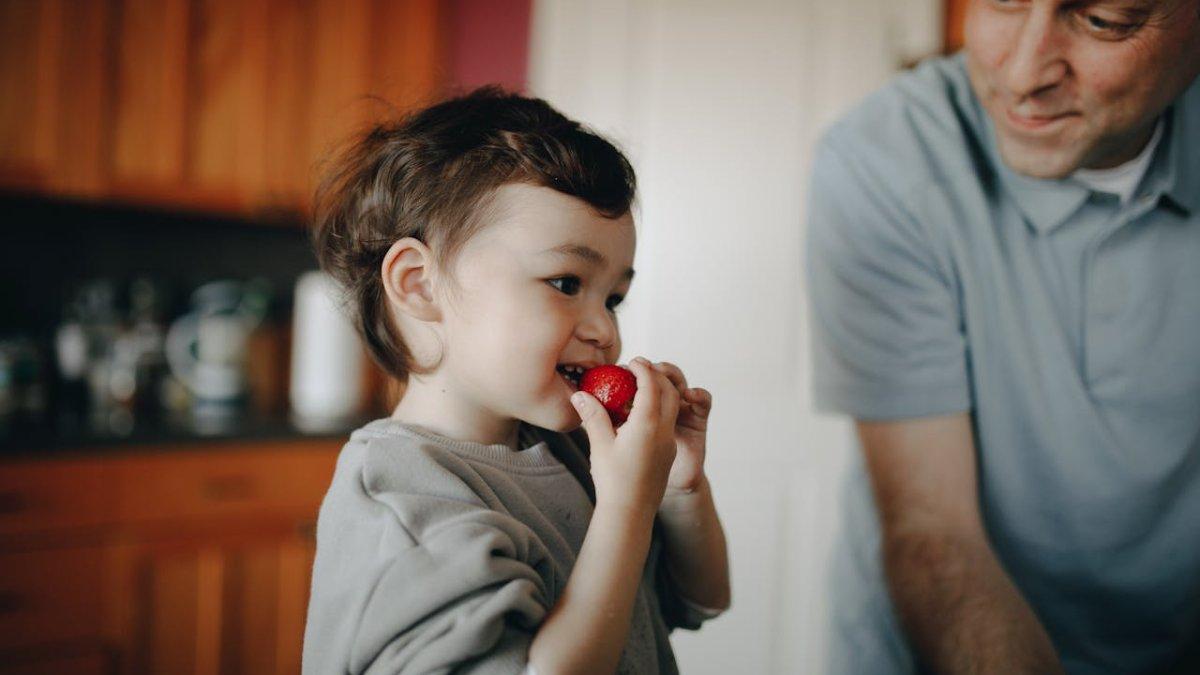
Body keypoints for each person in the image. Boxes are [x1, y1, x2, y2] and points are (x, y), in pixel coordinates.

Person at [806, 0, 1200, 673]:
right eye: (1003, 1)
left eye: (1103, 20)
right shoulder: (883, 158)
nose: (1022, 75)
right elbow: (934, 530)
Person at [301, 88, 730, 675]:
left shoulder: (568, 449)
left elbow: (702, 599)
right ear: (420, 285)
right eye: (565, 283)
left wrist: (679, 486)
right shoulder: (404, 502)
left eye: (615, 297)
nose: (605, 328)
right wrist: (626, 505)